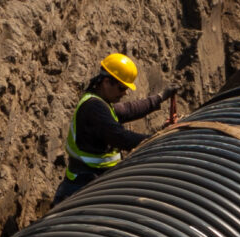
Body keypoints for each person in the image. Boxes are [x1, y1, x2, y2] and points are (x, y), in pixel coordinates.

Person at [54, 51, 170, 204]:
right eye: (122, 88)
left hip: (94, 179)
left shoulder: (101, 102)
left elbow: (129, 109)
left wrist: (160, 97)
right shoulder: (94, 107)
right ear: (107, 82)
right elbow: (120, 137)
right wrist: (158, 139)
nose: (125, 93)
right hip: (82, 185)